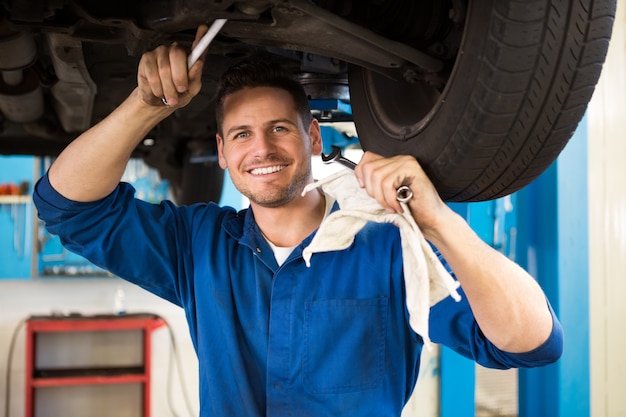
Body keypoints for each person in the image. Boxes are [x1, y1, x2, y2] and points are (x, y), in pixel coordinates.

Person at [33, 25, 562, 416]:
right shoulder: (198, 246)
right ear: (220, 151)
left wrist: (439, 221)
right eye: (241, 134)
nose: (261, 148)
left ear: (313, 138)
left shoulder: (390, 248)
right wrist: (147, 106)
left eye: (280, 129)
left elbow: (532, 343)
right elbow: (66, 206)